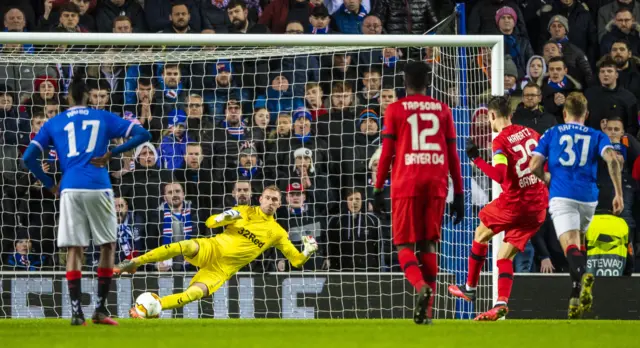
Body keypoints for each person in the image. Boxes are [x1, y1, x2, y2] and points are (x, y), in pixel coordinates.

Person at [22, 75, 152, 326]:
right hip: (98, 186)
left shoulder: (54, 122)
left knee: (75, 248)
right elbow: (142, 133)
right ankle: (100, 310)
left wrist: (50, 184)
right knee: (107, 245)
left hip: (70, 188)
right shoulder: (102, 117)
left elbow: (28, 157)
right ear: (90, 97)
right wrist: (112, 152)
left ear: (67, 98)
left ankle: (76, 313)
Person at [114, 186, 319, 316]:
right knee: (185, 245)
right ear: (260, 199)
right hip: (212, 248)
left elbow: (296, 261)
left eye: (275, 200)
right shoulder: (243, 211)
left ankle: (152, 308)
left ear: (279, 204)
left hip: (222, 269)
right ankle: (133, 263)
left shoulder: (278, 232)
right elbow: (210, 223)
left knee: (194, 293)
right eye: (268, 198)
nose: (271, 202)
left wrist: (307, 252)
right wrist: (223, 218)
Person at [372, 61, 464, 324]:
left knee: (403, 244)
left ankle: (420, 286)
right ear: (428, 82)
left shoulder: (395, 109)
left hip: (407, 182)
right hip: (436, 183)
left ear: (405, 81)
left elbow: (388, 153)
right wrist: (458, 193)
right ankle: (428, 311)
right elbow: (452, 155)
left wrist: (378, 187)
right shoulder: (443, 110)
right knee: (428, 245)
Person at [447, 96, 549, 321]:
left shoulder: (500, 141)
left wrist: (476, 159)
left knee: (480, 234)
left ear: (493, 115)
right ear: (510, 114)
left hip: (516, 204)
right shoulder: (531, 133)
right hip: (538, 206)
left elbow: (500, 176)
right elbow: (545, 164)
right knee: (504, 256)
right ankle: (501, 302)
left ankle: (470, 288)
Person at [529, 92, 623, 319]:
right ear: (586, 114)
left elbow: (533, 165)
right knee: (579, 242)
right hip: (589, 198)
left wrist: (546, 178)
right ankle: (575, 294)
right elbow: (612, 159)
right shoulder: (596, 135)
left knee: (570, 247)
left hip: (563, 196)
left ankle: (584, 277)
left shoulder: (552, 132)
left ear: (564, 113)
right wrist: (618, 193)